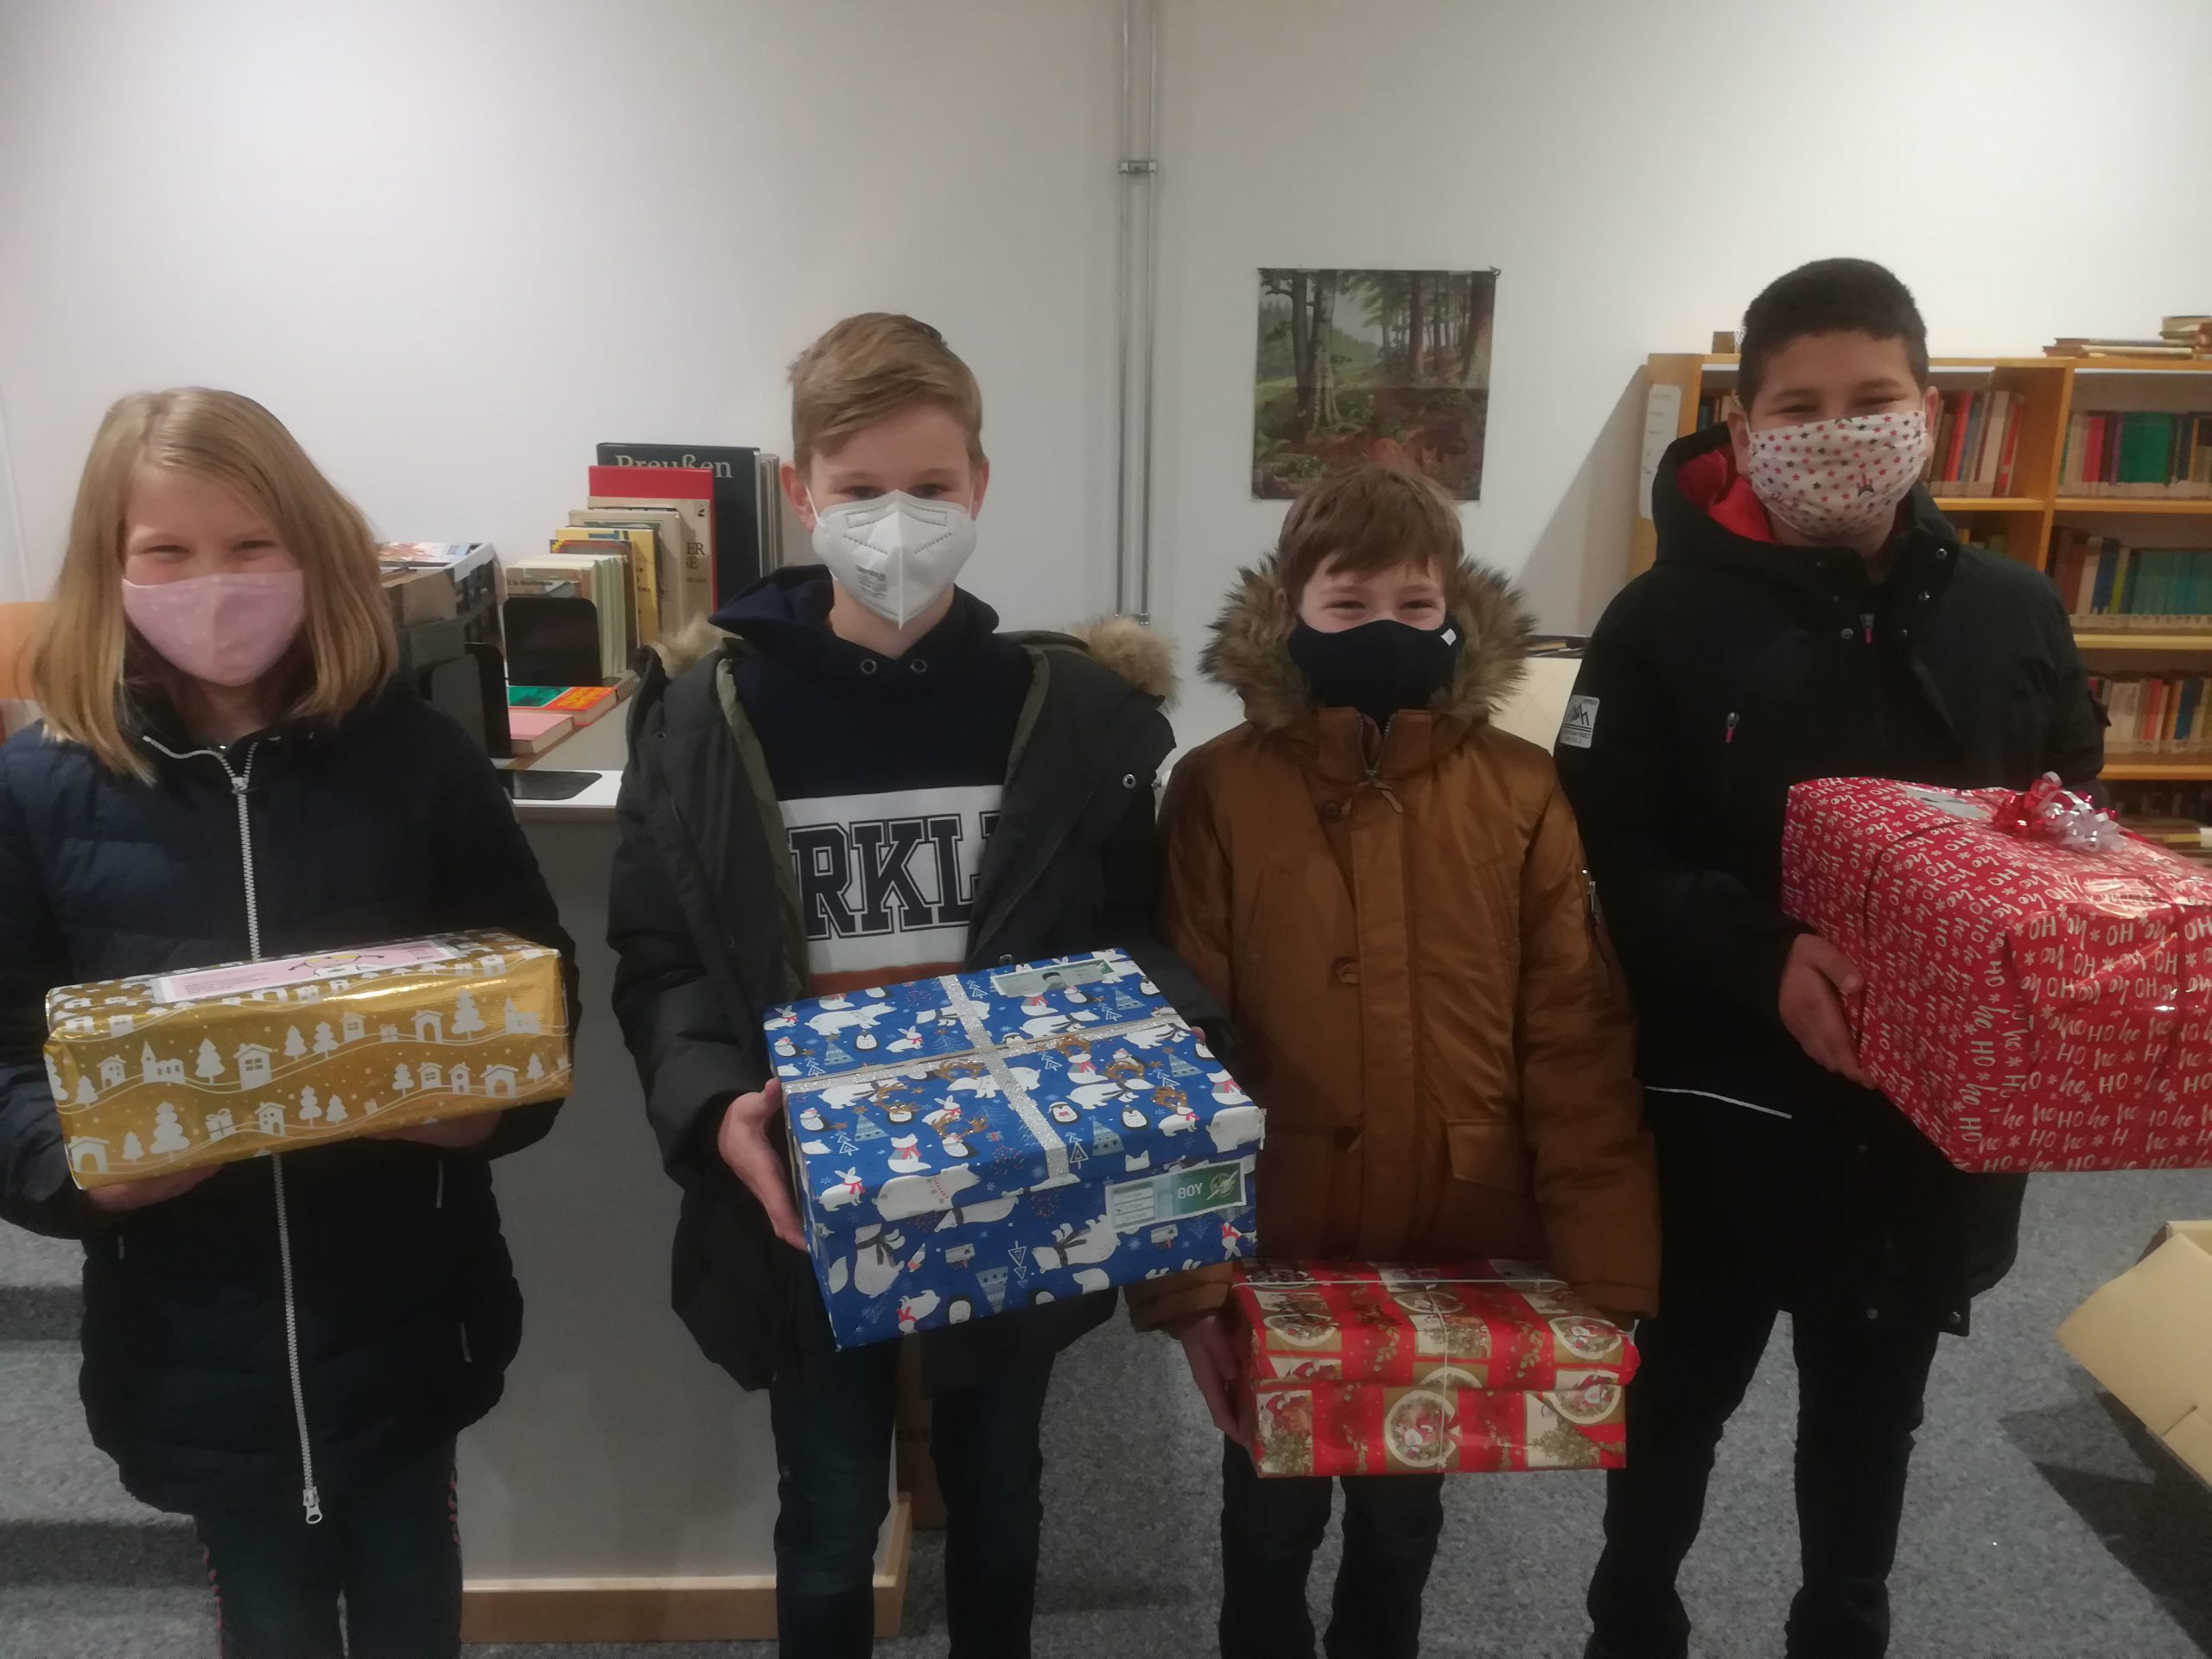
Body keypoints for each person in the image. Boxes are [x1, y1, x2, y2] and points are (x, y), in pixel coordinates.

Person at [607, 313, 1207, 1657]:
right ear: (801, 491)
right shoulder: (708, 720)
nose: (895, 522)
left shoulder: (1064, 714)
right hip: (811, 1183)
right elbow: (661, 960)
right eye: (860, 487)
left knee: (1002, 1489)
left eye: (930, 487)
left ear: (980, 485)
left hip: (1013, 1178)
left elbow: (1131, 935)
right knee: (828, 1510)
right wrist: (714, 1104)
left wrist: (1162, 1062)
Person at [1559, 259, 2104, 1659]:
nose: (1840, 431)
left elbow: (2068, 811)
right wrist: (1764, 958)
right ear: (1743, 428)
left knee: (1870, 1424)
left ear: (1929, 410)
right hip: (1722, 1103)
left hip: (1923, 1124)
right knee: (1675, 1403)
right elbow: (1607, 853)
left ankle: (1842, 1632)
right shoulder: (1662, 620)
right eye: (1800, 407)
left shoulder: (2011, 611)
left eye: (1873, 399)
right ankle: (1632, 1623)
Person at [0, 389, 575, 1659]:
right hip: (192, 1330)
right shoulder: (36, 792)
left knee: (413, 1593)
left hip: (405, 1307)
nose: (214, 583)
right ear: (108, 568)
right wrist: (73, 1167)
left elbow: (538, 984)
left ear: (311, 549)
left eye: (251, 545)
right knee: (268, 1617)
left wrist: (491, 1106)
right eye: (168, 551)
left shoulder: (420, 761)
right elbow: (5, 1058)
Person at [1127, 464, 1660, 1659]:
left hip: (1454, 1231)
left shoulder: (1519, 790)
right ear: (1290, 608)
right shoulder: (1218, 790)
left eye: (1415, 606)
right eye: (1349, 603)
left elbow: (1574, 1034)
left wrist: (1607, 1267)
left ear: (1454, 609)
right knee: (1266, 1520)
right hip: (1273, 1236)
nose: (1386, 629)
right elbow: (1178, 1055)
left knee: (1405, 1521)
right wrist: (1188, 1291)